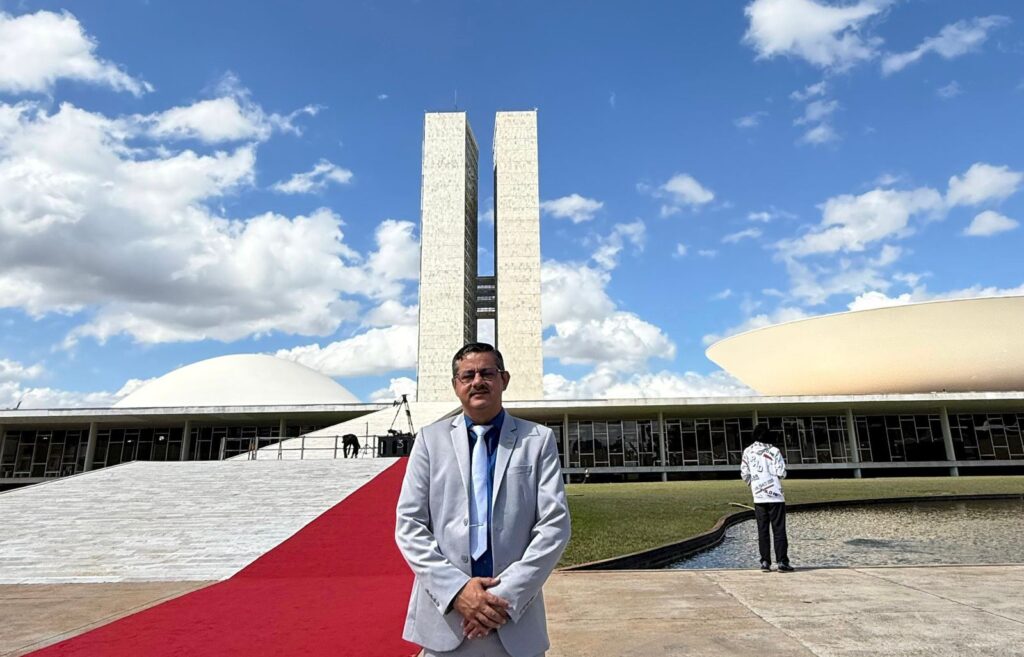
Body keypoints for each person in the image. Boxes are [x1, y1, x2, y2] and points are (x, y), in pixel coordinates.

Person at [396, 342, 571, 657]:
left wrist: (501, 600)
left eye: (487, 373)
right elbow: (410, 525)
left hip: (514, 622)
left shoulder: (537, 440)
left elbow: (554, 527)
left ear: (504, 379)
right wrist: (458, 592)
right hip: (447, 621)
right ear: (456, 385)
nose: (477, 381)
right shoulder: (429, 440)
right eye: (468, 375)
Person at [740, 424, 794, 573]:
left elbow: (744, 473)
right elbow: (781, 472)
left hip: (759, 496)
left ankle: (765, 561)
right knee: (779, 530)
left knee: (762, 530)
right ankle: (782, 561)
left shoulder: (748, 451)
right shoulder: (774, 451)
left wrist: (754, 484)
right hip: (775, 496)